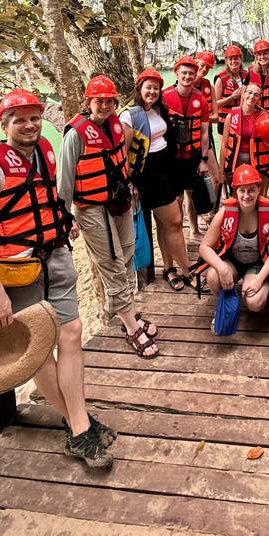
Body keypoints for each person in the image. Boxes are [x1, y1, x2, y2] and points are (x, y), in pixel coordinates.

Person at [0, 89, 114, 468]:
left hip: (56, 255)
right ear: (4, 124)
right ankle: (80, 427)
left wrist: (65, 222)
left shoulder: (45, 151)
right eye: (19, 120)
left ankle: (77, 421)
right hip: (18, 268)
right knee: (39, 348)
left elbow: (49, 199)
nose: (29, 125)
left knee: (72, 332)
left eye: (33, 117)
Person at [59, 76, 158, 359]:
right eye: (98, 100)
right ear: (88, 102)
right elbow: (64, 182)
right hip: (92, 209)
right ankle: (130, 327)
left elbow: (122, 161)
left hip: (119, 201)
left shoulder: (116, 125)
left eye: (108, 101)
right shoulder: (75, 135)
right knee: (112, 263)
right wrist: (65, 219)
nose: (103, 105)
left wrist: (129, 185)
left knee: (126, 255)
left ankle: (129, 314)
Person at [121, 68, 192, 293]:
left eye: (156, 88)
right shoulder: (130, 114)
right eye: (148, 87)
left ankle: (169, 268)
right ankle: (189, 270)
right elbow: (124, 154)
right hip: (149, 174)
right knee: (174, 222)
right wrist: (129, 182)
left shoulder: (158, 109)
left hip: (165, 170)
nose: (152, 91)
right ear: (139, 88)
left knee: (164, 224)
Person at [196, 163, 269, 317]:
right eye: (242, 190)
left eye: (251, 190)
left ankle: (264, 288)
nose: (246, 196)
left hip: (258, 263)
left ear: (259, 189)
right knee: (213, 276)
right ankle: (228, 305)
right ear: (235, 192)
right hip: (232, 261)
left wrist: (260, 279)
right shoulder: (226, 212)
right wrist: (221, 267)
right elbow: (204, 247)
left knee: (255, 303)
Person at [162, 56, 211, 256]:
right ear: (176, 73)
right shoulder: (164, 97)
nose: (188, 76)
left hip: (192, 155)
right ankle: (178, 234)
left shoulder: (201, 100)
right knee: (177, 197)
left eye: (191, 73)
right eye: (184, 73)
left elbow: (205, 132)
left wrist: (204, 159)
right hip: (172, 157)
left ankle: (194, 230)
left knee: (191, 194)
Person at [220, 84, 269, 195]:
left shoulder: (265, 118)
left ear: (259, 98)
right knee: (236, 197)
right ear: (243, 93)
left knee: (258, 198)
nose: (252, 96)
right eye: (249, 92)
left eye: (256, 95)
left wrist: (266, 132)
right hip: (235, 162)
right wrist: (221, 170)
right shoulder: (231, 117)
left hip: (258, 162)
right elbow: (223, 144)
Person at [191, 50, 221, 236]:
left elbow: (216, 116)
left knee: (216, 178)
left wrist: (199, 118)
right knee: (190, 188)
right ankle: (194, 228)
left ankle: (209, 211)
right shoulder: (183, 84)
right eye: (200, 65)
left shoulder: (208, 85)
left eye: (206, 67)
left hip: (205, 138)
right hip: (187, 143)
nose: (202, 69)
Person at [214, 45, 250, 137]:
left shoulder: (247, 75)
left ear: (240, 59)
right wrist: (232, 97)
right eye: (230, 59)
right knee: (225, 150)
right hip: (225, 121)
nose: (233, 61)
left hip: (243, 119)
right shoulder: (220, 79)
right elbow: (215, 104)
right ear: (226, 61)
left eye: (236, 58)